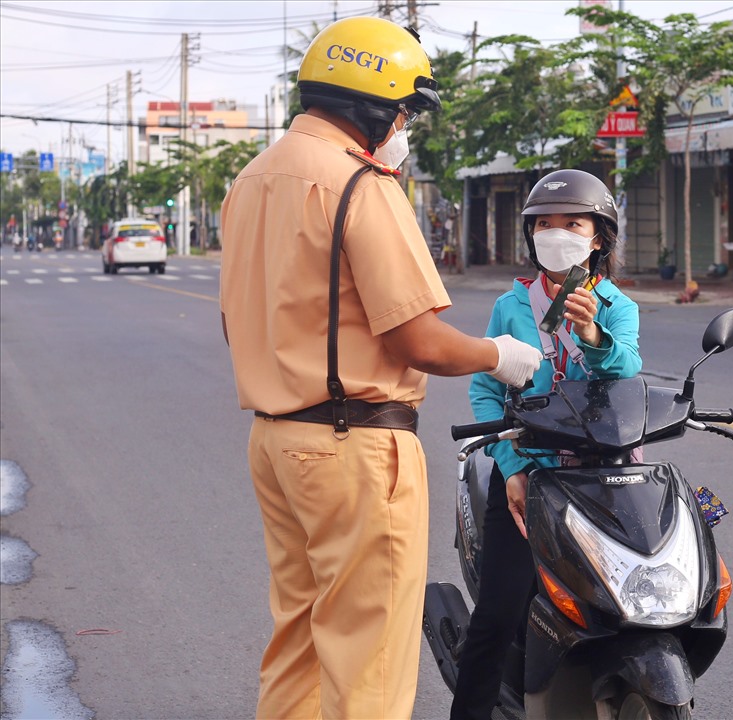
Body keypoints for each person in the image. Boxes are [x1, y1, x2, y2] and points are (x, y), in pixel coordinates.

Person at [218, 16, 542, 720]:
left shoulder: (249, 181)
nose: (403, 126)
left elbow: (232, 321)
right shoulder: (361, 186)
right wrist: (502, 356)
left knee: (300, 642)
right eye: (402, 110)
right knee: (369, 659)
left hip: (275, 441)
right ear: (370, 104)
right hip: (353, 445)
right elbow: (418, 340)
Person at [450, 169, 643, 720]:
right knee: (498, 613)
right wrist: (509, 468)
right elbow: (486, 388)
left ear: (598, 237)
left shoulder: (616, 307)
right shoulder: (512, 307)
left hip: (600, 473)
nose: (557, 233)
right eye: (545, 224)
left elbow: (628, 368)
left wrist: (594, 338)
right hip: (529, 473)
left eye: (573, 224)